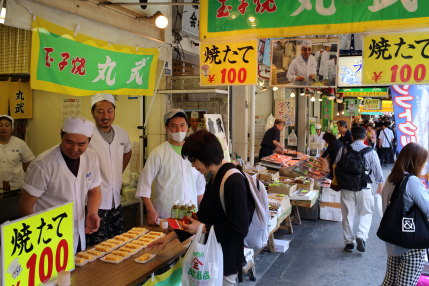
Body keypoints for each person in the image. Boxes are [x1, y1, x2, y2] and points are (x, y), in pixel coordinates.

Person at [148, 130, 254, 285]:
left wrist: (203, 228)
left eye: (193, 159)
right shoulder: (214, 178)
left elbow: (239, 228)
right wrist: (169, 238)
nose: (192, 165)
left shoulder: (233, 181)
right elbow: (202, 216)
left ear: (206, 156)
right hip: (211, 258)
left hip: (225, 260)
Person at [19, 117, 102, 253]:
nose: (74, 149)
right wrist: (39, 238)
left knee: (78, 271)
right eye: (69, 142)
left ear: (89, 141)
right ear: (61, 136)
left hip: (79, 231)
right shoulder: (43, 164)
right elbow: (25, 206)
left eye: (81, 144)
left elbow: (94, 190)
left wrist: (92, 212)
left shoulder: (91, 157)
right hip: (48, 239)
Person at [136, 109, 205, 225]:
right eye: (174, 126)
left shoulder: (195, 152)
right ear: (166, 128)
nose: (179, 130)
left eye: (182, 125)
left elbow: (200, 187)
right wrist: (150, 210)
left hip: (191, 218)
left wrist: (202, 212)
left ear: (187, 126)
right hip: (166, 217)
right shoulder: (158, 153)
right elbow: (144, 185)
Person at [86, 93, 132, 246]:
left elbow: (128, 151)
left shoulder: (121, 133)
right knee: (96, 247)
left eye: (109, 111)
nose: (105, 115)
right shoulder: (87, 135)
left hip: (116, 201)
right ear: (93, 113)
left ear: (114, 111)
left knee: (117, 244)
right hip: (93, 204)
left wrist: (117, 173)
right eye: (100, 111)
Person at [381, 143, 429, 286]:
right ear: (416, 162)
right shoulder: (412, 181)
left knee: (389, 281)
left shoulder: (391, 178)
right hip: (411, 243)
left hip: (393, 239)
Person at [334, 127, 384, 252]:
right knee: (366, 212)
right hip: (364, 187)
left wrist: (337, 181)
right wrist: (380, 184)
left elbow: (335, 165)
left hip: (346, 187)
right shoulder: (370, 151)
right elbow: (377, 169)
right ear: (365, 137)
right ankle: (361, 235)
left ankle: (349, 242)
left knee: (347, 215)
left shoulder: (344, 149)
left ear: (352, 137)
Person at [0, 115, 34, 192]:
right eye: (0, 125)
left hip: (16, 186)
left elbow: (28, 163)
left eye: (7, 125)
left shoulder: (20, 143)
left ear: (12, 128)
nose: (3, 128)